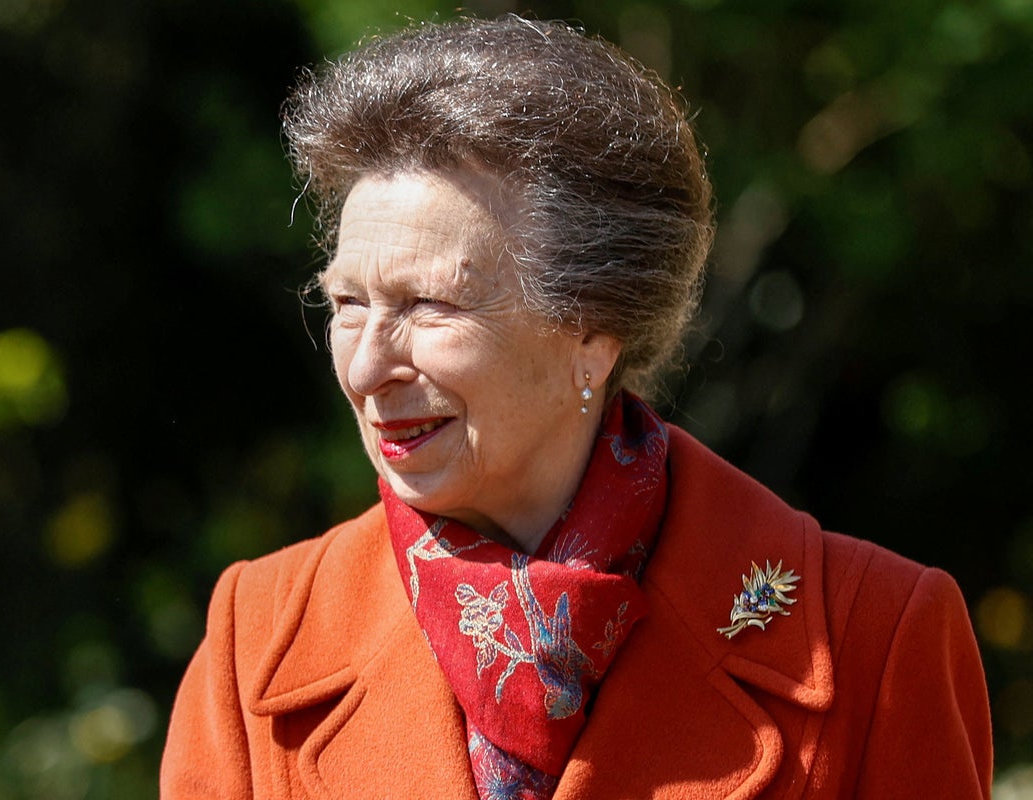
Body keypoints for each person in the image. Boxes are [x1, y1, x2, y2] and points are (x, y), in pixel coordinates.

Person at [161, 14, 992, 799]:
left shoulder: (874, 638)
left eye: (429, 307)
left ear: (594, 334)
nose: (368, 365)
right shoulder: (256, 639)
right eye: (347, 304)